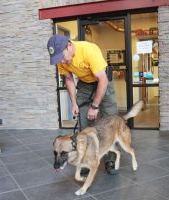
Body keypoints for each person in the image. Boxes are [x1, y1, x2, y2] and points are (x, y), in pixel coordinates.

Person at [47, 34, 118, 174]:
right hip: (85, 84)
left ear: (69, 45)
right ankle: (86, 159)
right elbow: (68, 79)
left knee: (110, 123)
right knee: (84, 124)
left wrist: (95, 106)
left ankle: (110, 159)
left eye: (62, 56)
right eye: (58, 59)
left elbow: (102, 79)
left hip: (103, 82)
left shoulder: (88, 50)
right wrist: (74, 103)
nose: (61, 61)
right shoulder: (62, 60)